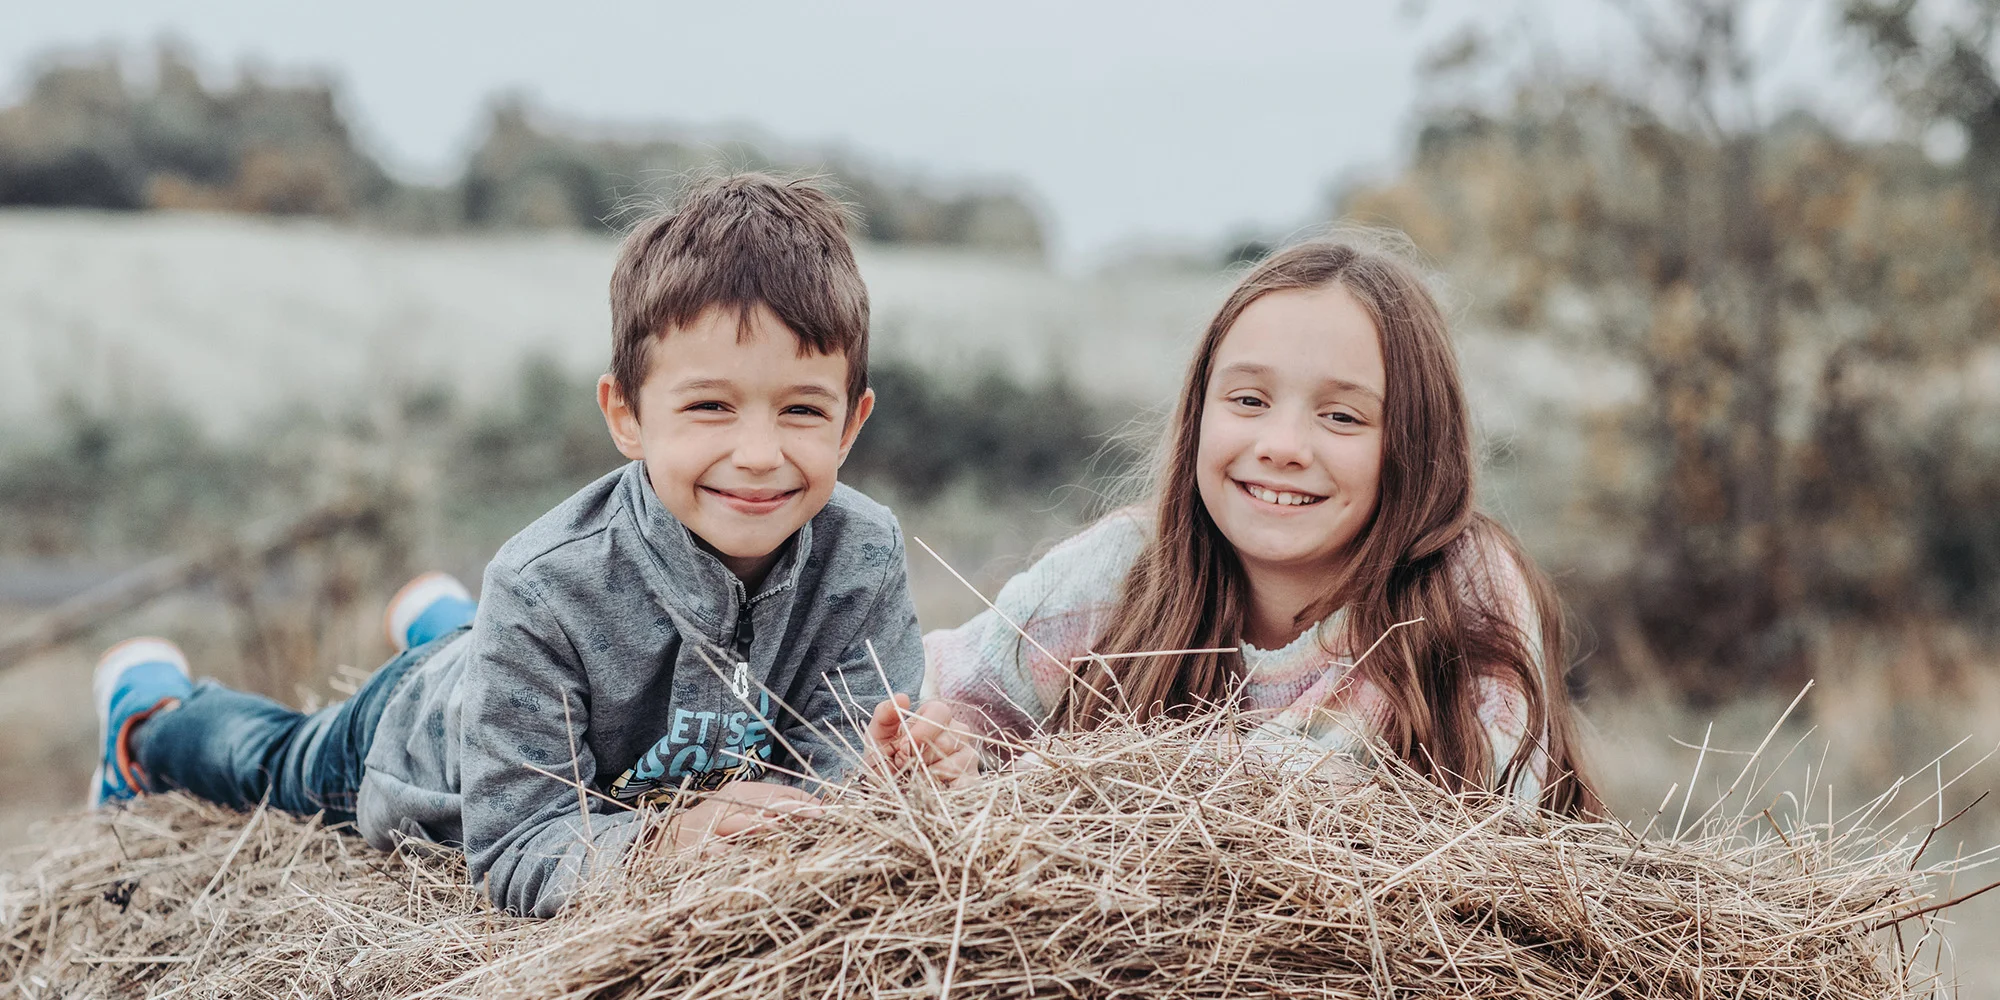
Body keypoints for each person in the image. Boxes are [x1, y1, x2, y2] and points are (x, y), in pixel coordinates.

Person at [87, 173, 928, 916]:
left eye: (802, 410)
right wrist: (666, 848)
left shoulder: (862, 555)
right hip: (423, 740)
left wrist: (887, 780)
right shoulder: (544, 585)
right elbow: (518, 846)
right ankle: (150, 715)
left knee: (489, 649)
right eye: (710, 407)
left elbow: (832, 777)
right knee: (273, 761)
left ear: (852, 422)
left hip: (515, 671)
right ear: (626, 415)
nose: (757, 452)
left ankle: (449, 623)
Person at [906, 233, 1598, 815]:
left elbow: (1463, 826)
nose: (1283, 444)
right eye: (1249, 399)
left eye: (1342, 416)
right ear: (1199, 411)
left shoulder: (1462, 592)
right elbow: (939, 691)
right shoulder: (1123, 572)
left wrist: (1083, 787)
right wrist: (940, 747)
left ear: (1415, 446)